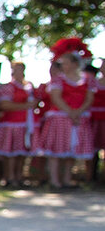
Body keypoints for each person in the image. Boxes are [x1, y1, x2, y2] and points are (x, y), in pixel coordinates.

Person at [32, 38, 95, 189]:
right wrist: (70, 112)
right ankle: (55, 180)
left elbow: (89, 98)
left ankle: (67, 180)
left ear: (75, 63)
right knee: (56, 151)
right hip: (61, 117)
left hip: (79, 118)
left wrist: (78, 112)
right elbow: (56, 97)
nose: (63, 66)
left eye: (66, 63)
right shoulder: (58, 79)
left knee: (71, 152)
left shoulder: (87, 79)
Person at [0, 61, 34, 188]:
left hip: (24, 124)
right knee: (9, 153)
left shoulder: (28, 87)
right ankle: (9, 177)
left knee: (20, 153)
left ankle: (19, 177)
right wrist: (25, 106)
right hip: (9, 124)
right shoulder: (8, 87)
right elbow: (5, 105)